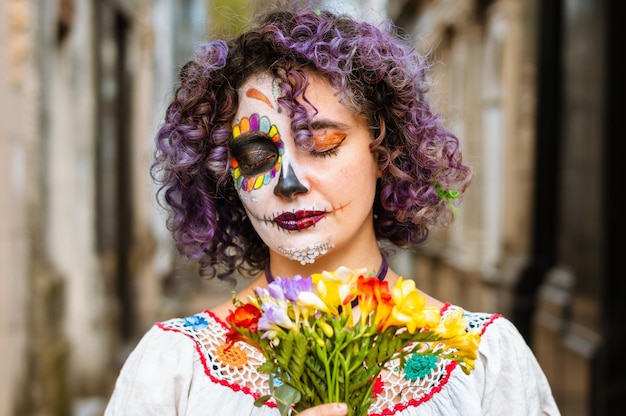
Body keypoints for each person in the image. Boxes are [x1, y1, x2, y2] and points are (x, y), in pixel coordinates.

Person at [105, 2, 561, 415]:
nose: (289, 182)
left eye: (322, 142)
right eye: (257, 155)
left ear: (385, 151)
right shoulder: (174, 371)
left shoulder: (484, 364)